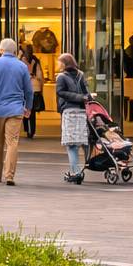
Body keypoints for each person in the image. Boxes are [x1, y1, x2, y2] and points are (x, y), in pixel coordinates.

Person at [0, 38, 33, 186]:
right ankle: (9, 175)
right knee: (13, 142)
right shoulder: (22, 66)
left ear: (0, 50)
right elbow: (28, 90)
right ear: (15, 51)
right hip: (16, 109)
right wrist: (28, 107)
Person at [55, 53, 91, 183]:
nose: (58, 65)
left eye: (59, 62)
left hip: (70, 112)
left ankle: (75, 171)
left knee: (71, 145)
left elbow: (60, 92)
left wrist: (79, 97)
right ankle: (81, 167)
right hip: (81, 111)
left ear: (65, 63)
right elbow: (86, 92)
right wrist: (83, 97)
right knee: (81, 141)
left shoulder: (61, 77)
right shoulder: (81, 75)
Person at [21, 43, 45, 139]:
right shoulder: (36, 60)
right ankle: (32, 131)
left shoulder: (21, 60)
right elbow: (40, 75)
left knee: (25, 109)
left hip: (24, 87)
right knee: (33, 111)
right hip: (35, 87)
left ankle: (26, 129)